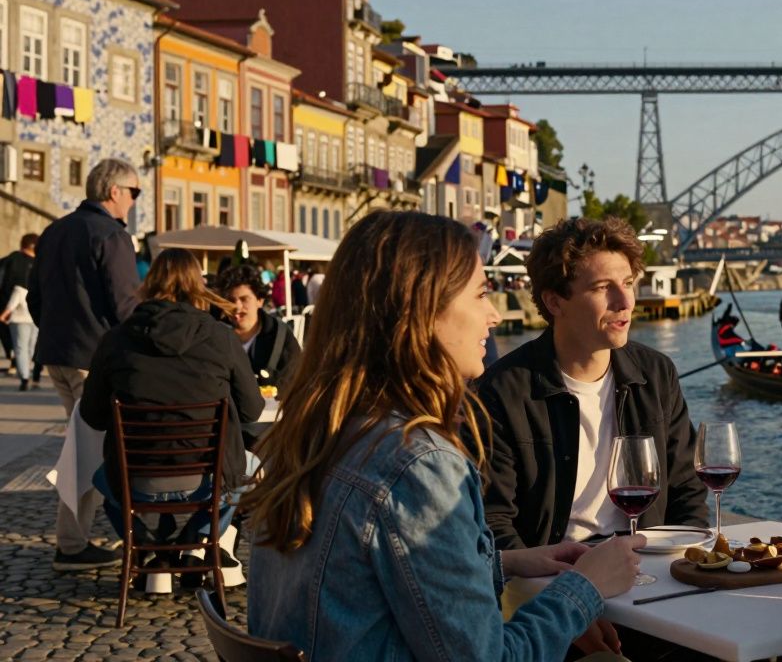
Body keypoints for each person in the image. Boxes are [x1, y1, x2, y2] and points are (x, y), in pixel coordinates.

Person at [243, 211, 645, 660]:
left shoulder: (316, 434)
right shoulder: (416, 464)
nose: (493, 316)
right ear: (421, 313)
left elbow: (383, 573)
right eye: (480, 295)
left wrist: (504, 562)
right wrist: (585, 587)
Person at [478, 217, 707, 660]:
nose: (625, 302)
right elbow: (494, 527)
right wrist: (570, 604)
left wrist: (687, 583)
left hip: (655, 580)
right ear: (554, 301)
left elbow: (688, 494)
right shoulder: (503, 391)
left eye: (627, 282)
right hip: (552, 588)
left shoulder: (655, 374)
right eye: (603, 287)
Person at [80, 249, 263, 575]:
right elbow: (252, 410)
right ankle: (197, 541)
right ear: (198, 286)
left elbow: (92, 416)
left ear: (148, 284)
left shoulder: (116, 340)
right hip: (208, 477)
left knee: (101, 481)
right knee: (252, 471)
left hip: (136, 477)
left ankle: (152, 548)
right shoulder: (221, 337)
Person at [27, 158, 142, 572]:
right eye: (134, 192)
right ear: (114, 192)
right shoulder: (112, 236)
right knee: (91, 452)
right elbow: (125, 304)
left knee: (84, 447)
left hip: (57, 355)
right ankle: (73, 545)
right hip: (93, 359)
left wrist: (58, 333)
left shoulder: (55, 231)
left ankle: (76, 541)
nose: (134, 202)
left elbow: (33, 299)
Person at [213, 265, 301, 392]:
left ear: (260, 300)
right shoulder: (215, 335)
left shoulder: (279, 336)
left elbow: (295, 381)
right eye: (231, 300)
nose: (237, 307)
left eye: (244, 299)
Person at [0, 233, 39, 390]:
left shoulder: (8, 261)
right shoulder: (38, 264)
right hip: (33, 314)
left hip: (15, 313)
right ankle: (29, 373)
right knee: (30, 346)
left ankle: (24, 375)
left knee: (20, 346)